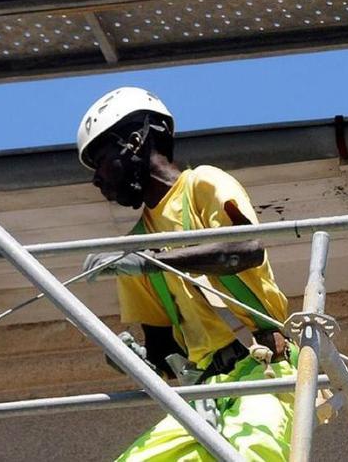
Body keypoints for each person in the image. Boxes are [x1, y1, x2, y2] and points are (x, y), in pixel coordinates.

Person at [76, 87, 296, 461]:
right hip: (203, 391)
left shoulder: (202, 185)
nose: (97, 179)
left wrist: (150, 260)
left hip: (263, 370)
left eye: (101, 159)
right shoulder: (138, 243)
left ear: (136, 141)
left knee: (253, 456)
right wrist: (135, 357)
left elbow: (245, 250)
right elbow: (164, 348)